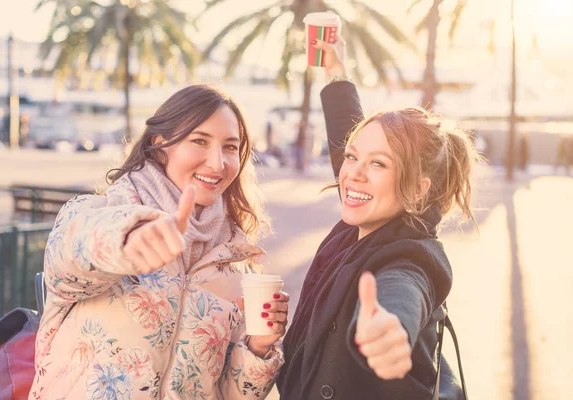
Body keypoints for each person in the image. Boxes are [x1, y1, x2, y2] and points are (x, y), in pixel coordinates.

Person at [29, 85, 288, 400]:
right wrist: (126, 240)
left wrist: (258, 350)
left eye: (230, 147)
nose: (218, 163)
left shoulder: (237, 264)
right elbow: (65, 261)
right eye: (199, 141)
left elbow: (227, 394)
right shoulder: (100, 214)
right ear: (160, 142)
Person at [277, 37, 475, 399]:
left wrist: (392, 327)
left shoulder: (412, 257)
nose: (353, 174)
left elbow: (403, 288)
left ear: (417, 188)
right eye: (352, 157)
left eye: (379, 163)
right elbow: (346, 139)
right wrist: (338, 74)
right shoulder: (368, 211)